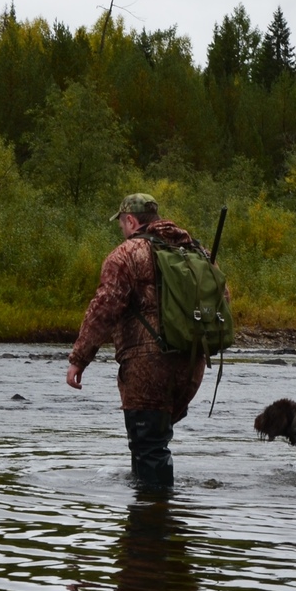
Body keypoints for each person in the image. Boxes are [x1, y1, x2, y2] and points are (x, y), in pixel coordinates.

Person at [66, 193, 209, 487]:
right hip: (193, 363)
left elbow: (103, 309)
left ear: (131, 220)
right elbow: (221, 300)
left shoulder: (127, 255)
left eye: (121, 223)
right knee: (154, 445)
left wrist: (79, 359)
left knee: (149, 449)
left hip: (148, 367)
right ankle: (158, 520)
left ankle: (152, 524)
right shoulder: (195, 251)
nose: (121, 230)